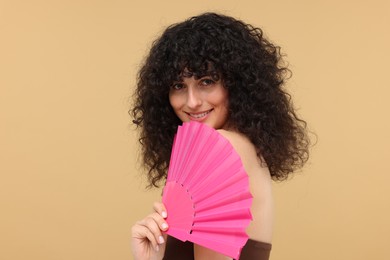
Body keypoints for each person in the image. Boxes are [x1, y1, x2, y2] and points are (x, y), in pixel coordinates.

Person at [130, 12, 310, 260]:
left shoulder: (220, 148)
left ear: (236, 82)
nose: (192, 102)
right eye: (178, 86)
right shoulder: (245, 148)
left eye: (206, 81)